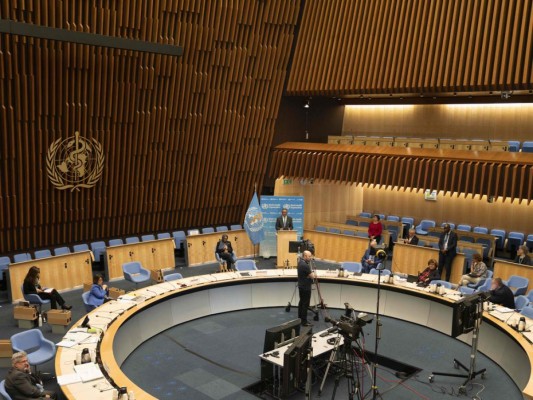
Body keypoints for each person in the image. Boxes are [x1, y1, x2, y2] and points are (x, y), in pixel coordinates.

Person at [297, 250, 316, 327]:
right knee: (305, 304)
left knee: (301, 302)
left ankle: (300, 318)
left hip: (301, 286)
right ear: (305, 256)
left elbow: (308, 275)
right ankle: (304, 322)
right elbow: (313, 276)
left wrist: (309, 275)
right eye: (309, 256)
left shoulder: (300, 263)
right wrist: (310, 275)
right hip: (306, 287)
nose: (310, 258)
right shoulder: (305, 265)